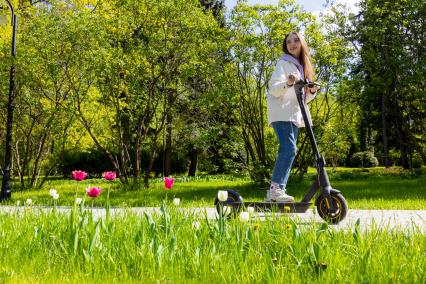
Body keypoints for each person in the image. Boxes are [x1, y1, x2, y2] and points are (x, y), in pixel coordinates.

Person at [266, 32, 320, 202]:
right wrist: (288, 82)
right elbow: (274, 89)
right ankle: (275, 191)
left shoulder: (302, 66)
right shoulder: (283, 63)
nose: (292, 44)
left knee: (289, 151)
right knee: (289, 150)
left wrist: (311, 92)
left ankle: (277, 191)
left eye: (296, 40)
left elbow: (301, 97)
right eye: (289, 41)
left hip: (293, 115)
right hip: (282, 112)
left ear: (302, 43)